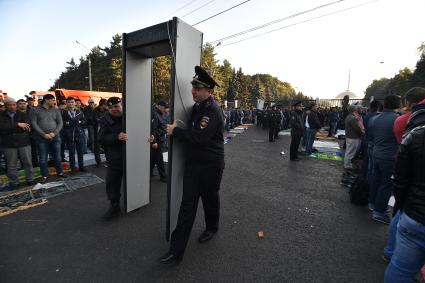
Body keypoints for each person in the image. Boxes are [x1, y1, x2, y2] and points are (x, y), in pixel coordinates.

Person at [159, 66, 225, 265]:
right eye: (193, 87)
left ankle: (212, 227)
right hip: (193, 165)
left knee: (210, 199)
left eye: (198, 88)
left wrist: (176, 131)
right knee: (187, 207)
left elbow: (199, 138)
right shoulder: (197, 108)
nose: (193, 91)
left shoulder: (212, 111)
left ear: (209, 91)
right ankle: (175, 252)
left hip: (210, 166)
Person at [384, 95, 425, 282]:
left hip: (413, 213)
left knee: (400, 269)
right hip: (414, 210)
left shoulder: (414, 133)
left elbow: (400, 180)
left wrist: (400, 205)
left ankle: (389, 250)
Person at [368, 95, 400, 224]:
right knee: (386, 184)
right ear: (397, 104)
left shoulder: (375, 118)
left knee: (376, 179)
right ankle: (379, 211)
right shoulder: (397, 119)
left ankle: (372, 203)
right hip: (389, 156)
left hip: (376, 153)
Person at [98, 97, 127, 220]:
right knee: (112, 183)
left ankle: (137, 200)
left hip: (133, 155)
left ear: (122, 105)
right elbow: (101, 138)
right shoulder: (105, 119)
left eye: (116, 106)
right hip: (115, 157)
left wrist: (150, 136)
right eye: (110, 107)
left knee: (136, 179)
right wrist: (117, 137)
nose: (113, 109)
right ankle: (114, 207)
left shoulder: (131, 115)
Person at [30, 94, 67, 183]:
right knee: (43, 158)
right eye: (52, 100)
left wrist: (54, 133)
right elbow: (34, 124)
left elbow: (60, 123)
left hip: (55, 137)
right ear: (46, 100)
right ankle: (44, 175)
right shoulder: (35, 110)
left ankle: (60, 173)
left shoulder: (56, 110)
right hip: (41, 138)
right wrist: (43, 134)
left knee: (57, 157)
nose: (54, 102)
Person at [0, 97, 34, 191]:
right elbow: (2, 128)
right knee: (11, 164)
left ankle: (30, 180)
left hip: (23, 142)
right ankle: (14, 182)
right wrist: (17, 125)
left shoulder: (22, 114)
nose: (12, 107)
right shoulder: (1, 115)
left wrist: (10, 128)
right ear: (5, 106)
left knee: (27, 162)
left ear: (16, 105)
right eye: (9, 105)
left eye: (13, 105)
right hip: (8, 144)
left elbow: (27, 126)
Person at [62, 97, 87, 173]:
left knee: (80, 152)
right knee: (71, 153)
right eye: (69, 102)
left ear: (74, 103)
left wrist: (79, 122)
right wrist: (69, 123)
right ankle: (73, 168)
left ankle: (81, 166)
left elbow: (84, 121)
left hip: (79, 134)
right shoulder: (63, 112)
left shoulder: (79, 111)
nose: (71, 103)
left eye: (72, 102)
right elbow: (62, 123)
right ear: (66, 103)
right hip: (69, 135)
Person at [150, 101, 168, 182]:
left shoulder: (159, 113)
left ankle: (149, 172)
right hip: (157, 140)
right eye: (164, 107)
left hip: (159, 139)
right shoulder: (154, 113)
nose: (165, 109)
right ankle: (163, 177)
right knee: (160, 159)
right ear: (159, 106)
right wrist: (154, 142)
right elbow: (152, 129)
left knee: (154, 158)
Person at [343, 105, 364, 170]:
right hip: (353, 137)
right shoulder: (352, 118)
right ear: (354, 110)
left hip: (350, 136)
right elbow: (357, 128)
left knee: (349, 151)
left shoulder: (349, 117)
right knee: (350, 152)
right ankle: (347, 165)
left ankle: (347, 164)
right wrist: (362, 133)